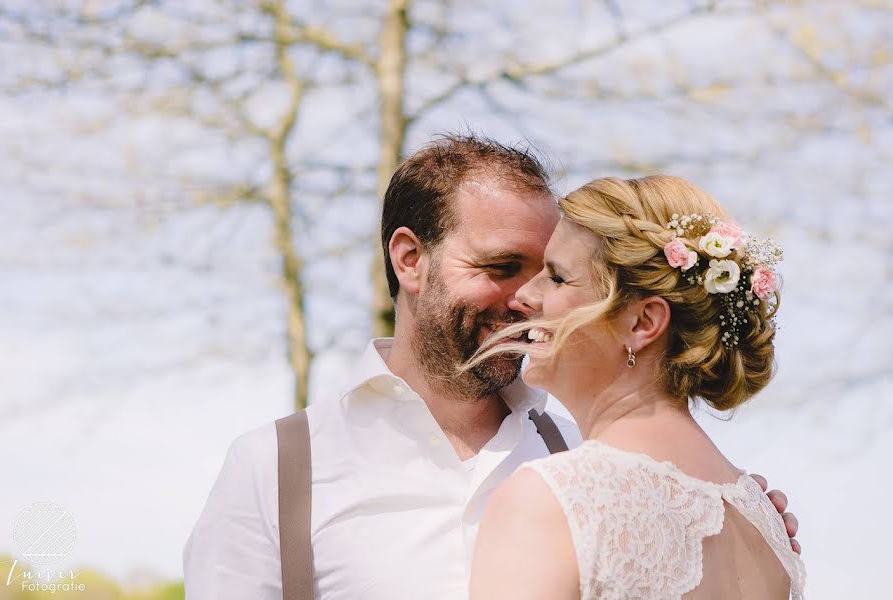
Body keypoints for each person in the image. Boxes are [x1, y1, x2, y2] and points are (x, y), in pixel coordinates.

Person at [183, 136, 798, 599]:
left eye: (551, 273)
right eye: (502, 268)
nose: (527, 298)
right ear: (409, 259)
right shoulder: (276, 468)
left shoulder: (584, 470)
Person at [469, 175, 806, 599]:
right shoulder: (766, 524)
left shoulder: (552, 500)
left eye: (556, 278)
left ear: (643, 322)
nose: (524, 295)